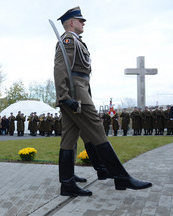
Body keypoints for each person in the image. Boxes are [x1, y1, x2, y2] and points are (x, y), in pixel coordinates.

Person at [53, 6, 152, 196]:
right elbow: (60, 69)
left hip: (79, 90)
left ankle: (67, 183)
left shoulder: (76, 41)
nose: (83, 23)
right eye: (80, 20)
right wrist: (65, 97)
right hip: (76, 93)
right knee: (97, 130)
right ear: (71, 23)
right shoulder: (68, 40)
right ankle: (121, 176)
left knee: (69, 137)